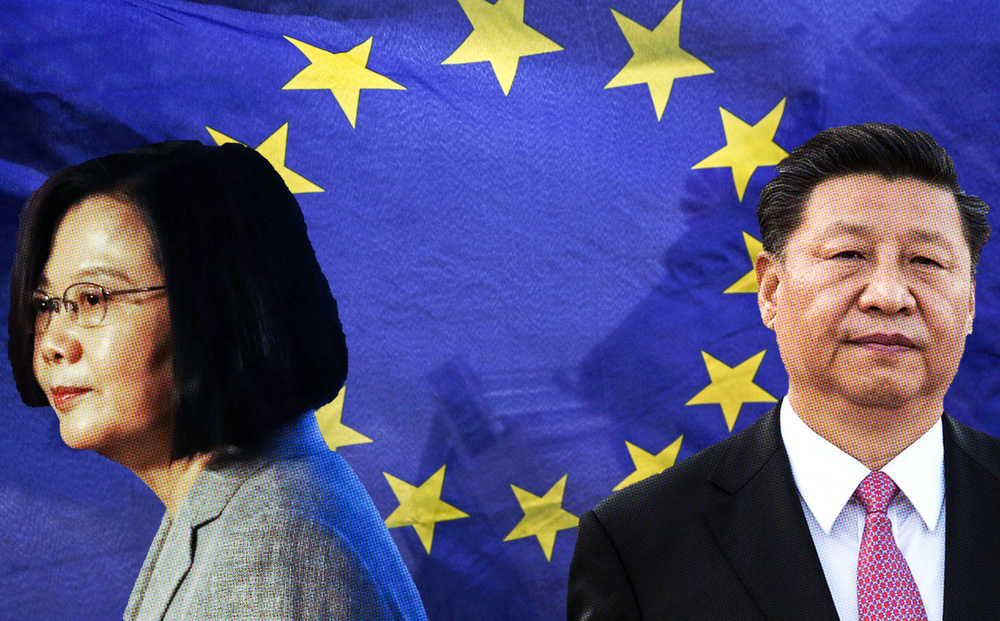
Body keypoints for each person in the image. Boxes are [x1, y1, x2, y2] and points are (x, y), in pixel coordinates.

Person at [567, 123, 1000, 620]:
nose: (888, 296)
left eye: (925, 260)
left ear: (969, 303)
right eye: (849, 255)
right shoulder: (638, 543)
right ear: (771, 290)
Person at [9, 141, 427, 620]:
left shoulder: (266, 555)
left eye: (92, 299)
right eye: (46, 305)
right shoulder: (236, 505)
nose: (52, 344)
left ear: (213, 305)